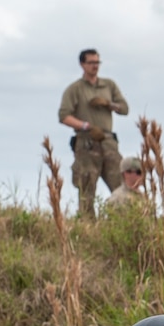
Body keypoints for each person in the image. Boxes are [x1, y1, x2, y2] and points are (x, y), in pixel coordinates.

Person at [57, 48, 131, 218]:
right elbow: (63, 116)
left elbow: (125, 109)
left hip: (108, 140)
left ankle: (124, 223)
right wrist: (85, 126)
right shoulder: (75, 89)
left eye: (97, 62)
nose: (95, 66)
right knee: (86, 189)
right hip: (87, 143)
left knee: (121, 185)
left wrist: (108, 104)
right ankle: (88, 227)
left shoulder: (108, 85)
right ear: (82, 64)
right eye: (91, 63)